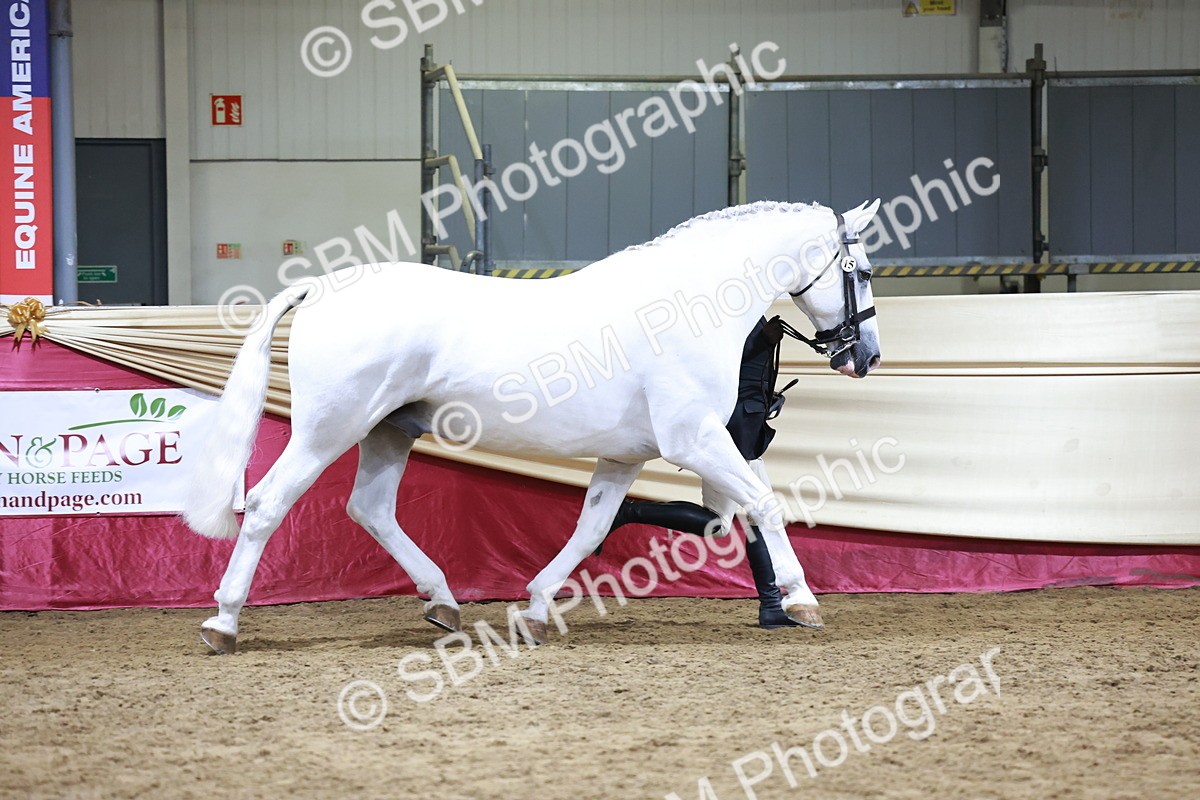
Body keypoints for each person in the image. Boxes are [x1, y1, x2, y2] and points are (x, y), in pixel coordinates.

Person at [597, 316, 803, 629]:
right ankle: (771, 604)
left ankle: (628, 511)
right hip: (733, 436)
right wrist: (761, 343)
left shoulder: (755, 319)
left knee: (723, 524)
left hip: (746, 431)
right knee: (755, 515)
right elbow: (725, 362)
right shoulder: (735, 323)